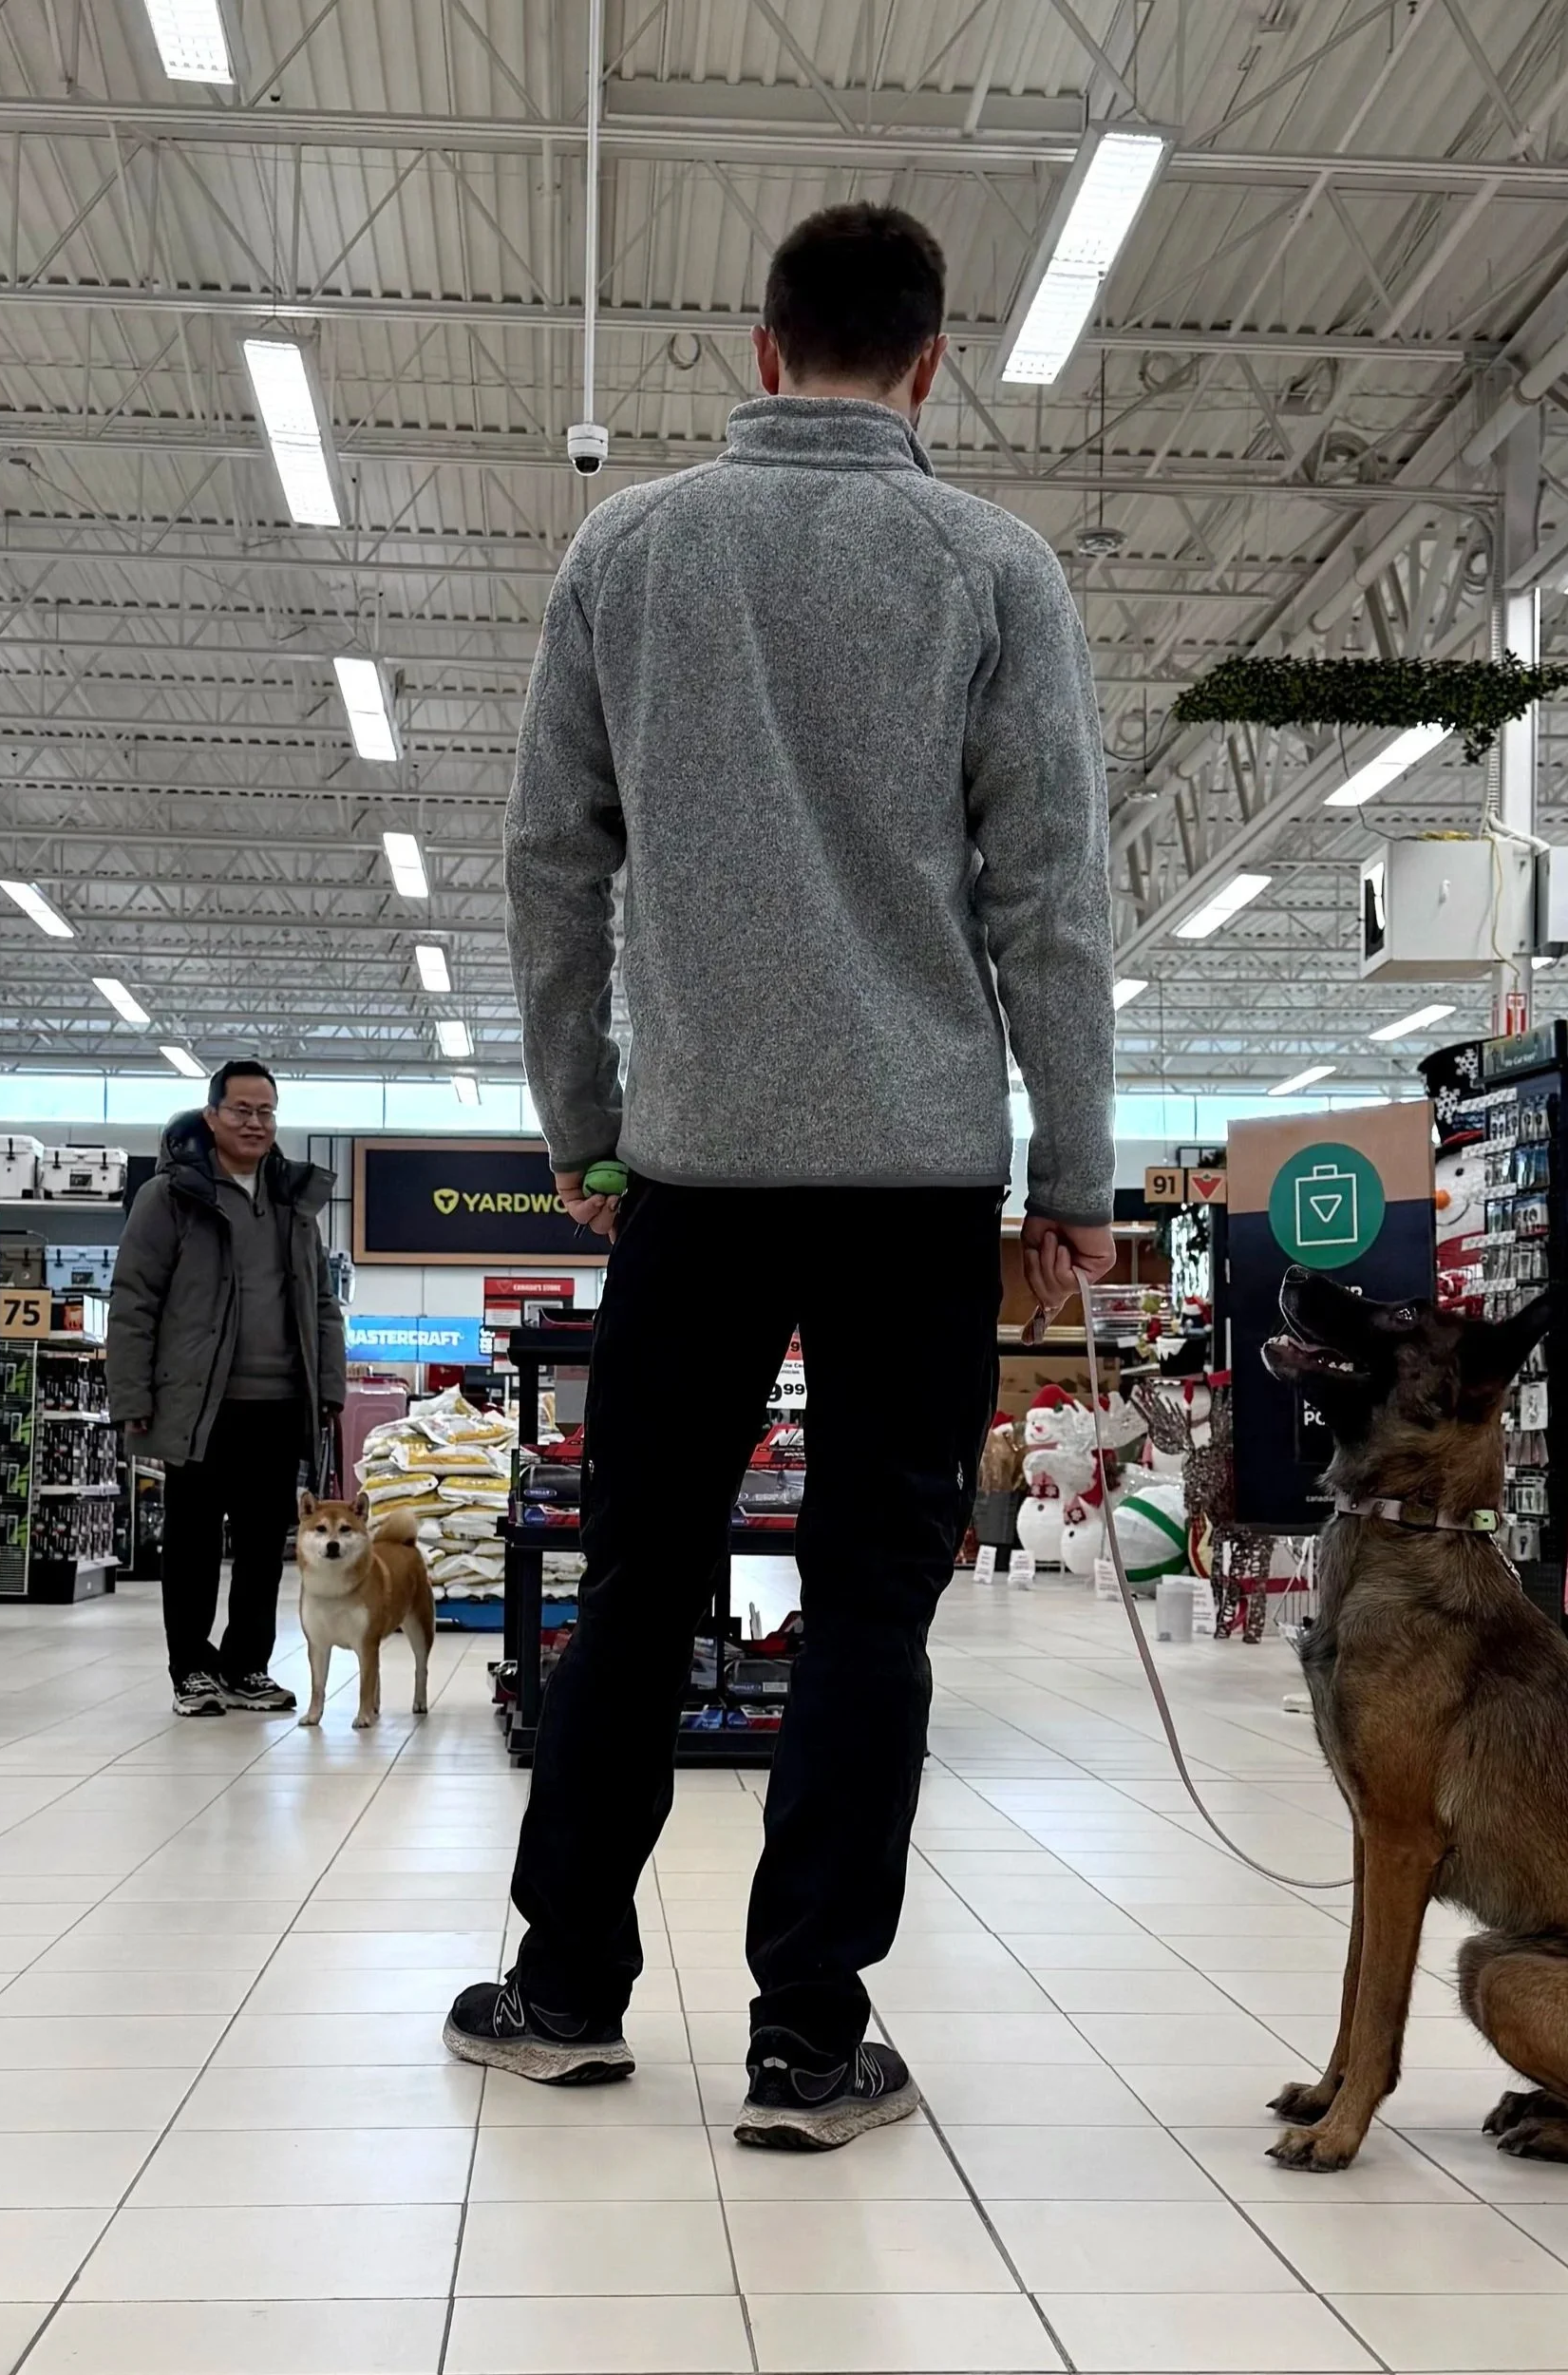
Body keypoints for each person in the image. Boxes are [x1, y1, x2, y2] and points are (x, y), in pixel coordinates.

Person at [445, 201, 1116, 2149]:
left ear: (760, 349)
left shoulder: (629, 552)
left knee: (638, 1573)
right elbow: (1049, 901)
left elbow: (551, 863)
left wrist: (583, 1120)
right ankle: (808, 2033)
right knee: (867, 1602)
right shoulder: (993, 568)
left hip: (701, 1170)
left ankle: (566, 1981)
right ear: (926, 363)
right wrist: (1072, 1172)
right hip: (917, 1180)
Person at [110, 1059, 347, 1719]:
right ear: (212, 1115)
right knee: (190, 1543)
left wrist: (328, 1385)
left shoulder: (295, 1202)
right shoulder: (171, 1196)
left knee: (263, 1547)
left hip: (278, 1404)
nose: (255, 1123)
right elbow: (133, 1301)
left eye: (266, 1111)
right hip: (199, 1404)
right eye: (241, 1109)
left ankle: (246, 1666)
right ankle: (190, 1668)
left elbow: (322, 1303)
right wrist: (130, 1397)